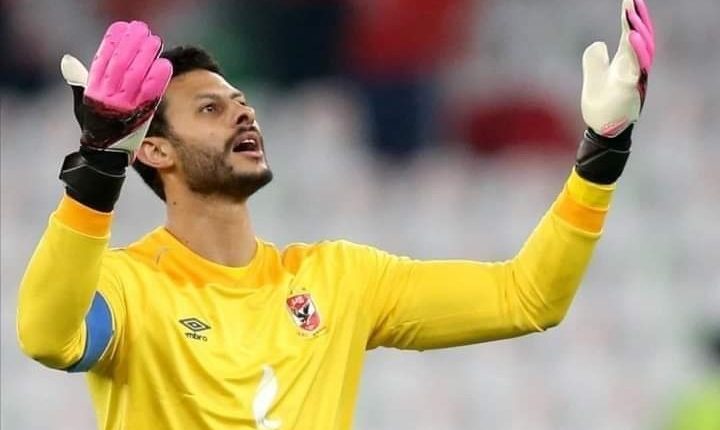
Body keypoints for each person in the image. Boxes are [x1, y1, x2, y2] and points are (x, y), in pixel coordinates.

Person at [16, 1, 655, 429]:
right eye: (211, 109)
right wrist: (97, 164)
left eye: (241, 102)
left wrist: (602, 150)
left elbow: (528, 297)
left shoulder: (339, 280)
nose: (243, 113)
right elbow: (48, 337)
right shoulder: (130, 286)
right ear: (155, 150)